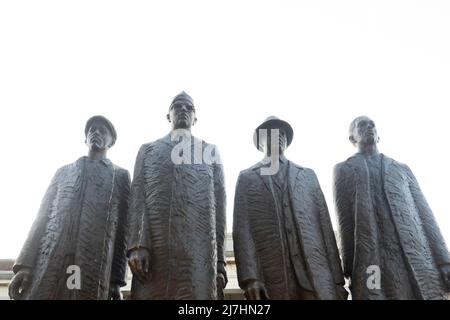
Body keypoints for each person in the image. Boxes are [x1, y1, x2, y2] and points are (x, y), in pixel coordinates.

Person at [9, 115, 130, 300]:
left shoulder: (120, 176)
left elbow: (123, 231)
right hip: (50, 258)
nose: (96, 133)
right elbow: (41, 218)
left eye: (102, 131)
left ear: (112, 141)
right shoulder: (64, 173)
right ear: (85, 138)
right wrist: (25, 265)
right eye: (92, 130)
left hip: (94, 264)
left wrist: (116, 280)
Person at [334, 115, 450, 300]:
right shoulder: (343, 170)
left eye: (372, 124)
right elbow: (345, 221)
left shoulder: (401, 169)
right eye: (362, 125)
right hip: (373, 259)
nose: (369, 127)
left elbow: (425, 214)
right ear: (352, 138)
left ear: (378, 134)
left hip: (415, 252)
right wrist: (349, 268)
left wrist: (444, 260)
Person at [233, 116, 347, 300]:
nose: (279, 136)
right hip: (273, 276)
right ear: (260, 142)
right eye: (271, 132)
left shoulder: (308, 176)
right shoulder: (247, 178)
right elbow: (243, 230)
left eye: (283, 133)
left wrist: (337, 281)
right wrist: (250, 278)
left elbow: (325, 230)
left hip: (316, 277)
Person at [127, 91, 227, 299]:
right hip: (155, 251)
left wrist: (220, 263)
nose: (183, 110)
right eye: (177, 106)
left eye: (189, 107)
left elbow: (220, 209)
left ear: (195, 118)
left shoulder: (210, 151)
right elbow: (138, 198)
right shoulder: (148, 150)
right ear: (168, 115)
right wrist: (137, 245)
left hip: (199, 255)